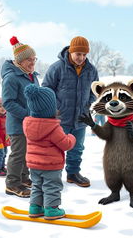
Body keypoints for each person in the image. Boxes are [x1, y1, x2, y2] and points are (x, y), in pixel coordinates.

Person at [42, 36, 99, 187]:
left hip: (81, 117)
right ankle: (53, 175)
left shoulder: (91, 70)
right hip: (60, 117)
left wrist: (88, 104)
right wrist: (55, 109)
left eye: (84, 54)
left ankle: (73, 173)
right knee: (56, 148)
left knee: (77, 147)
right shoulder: (57, 67)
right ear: (71, 52)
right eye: (78, 54)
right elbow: (46, 89)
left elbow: (95, 90)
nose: (81, 58)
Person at [23, 84, 76, 220]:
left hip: (34, 164)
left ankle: (35, 207)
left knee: (37, 185)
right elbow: (66, 144)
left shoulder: (28, 124)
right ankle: (51, 210)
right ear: (50, 108)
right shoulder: (53, 128)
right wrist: (71, 137)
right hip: (51, 165)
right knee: (51, 186)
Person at [1, 36, 39, 198]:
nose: (32, 62)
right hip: (17, 124)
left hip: (31, 123)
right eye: (29, 60)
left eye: (34, 59)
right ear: (20, 61)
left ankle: (23, 177)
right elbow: (8, 103)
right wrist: (28, 114)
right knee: (18, 153)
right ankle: (12, 184)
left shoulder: (32, 75)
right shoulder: (11, 78)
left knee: (27, 152)